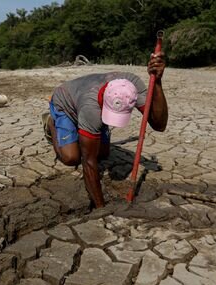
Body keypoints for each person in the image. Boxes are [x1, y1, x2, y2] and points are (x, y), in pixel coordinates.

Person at [42, 53, 168, 208]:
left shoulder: (131, 86)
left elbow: (159, 125)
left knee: (103, 154)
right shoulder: (91, 108)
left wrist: (158, 82)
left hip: (85, 104)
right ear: (103, 102)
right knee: (71, 158)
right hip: (65, 102)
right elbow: (88, 162)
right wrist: (100, 208)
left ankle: (84, 130)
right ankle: (50, 122)